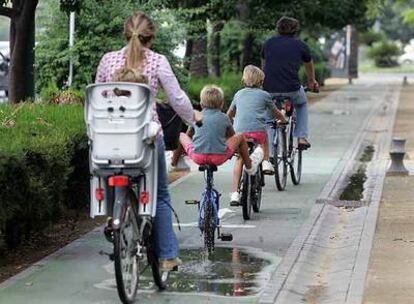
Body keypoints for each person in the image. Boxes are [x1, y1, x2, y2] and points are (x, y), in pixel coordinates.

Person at [95, 11, 197, 271]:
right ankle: (168, 256)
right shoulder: (157, 62)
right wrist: (193, 118)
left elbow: (97, 96)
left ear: (126, 34)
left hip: (110, 140)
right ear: (152, 37)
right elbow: (177, 99)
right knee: (160, 195)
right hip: (146, 139)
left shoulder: (108, 61)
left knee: (114, 174)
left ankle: (113, 216)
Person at [227, 65, 287, 205]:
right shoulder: (265, 95)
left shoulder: (238, 94)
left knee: (240, 160)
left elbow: (229, 114)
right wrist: (283, 120)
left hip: (240, 134)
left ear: (244, 79)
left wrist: (229, 124)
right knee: (264, 136)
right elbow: (275, 112)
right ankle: (266, 162)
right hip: (257, 133)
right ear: (261, 81)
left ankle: (235, 194)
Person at [173, 85, 263, 174]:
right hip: (219, 157)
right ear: (221, 104)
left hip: (197, 156)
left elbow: (189, 134)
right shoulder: (224, 118)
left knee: (181, 135)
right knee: (239, 136)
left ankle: (174, 163)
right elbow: (232, 136)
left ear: (201, 104)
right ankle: (249, 166)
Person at [261, 16, 319, 149]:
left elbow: (263, 68)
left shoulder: (268, 44)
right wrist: (311, 82)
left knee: (269, 115)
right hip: (292, 88)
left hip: (269, 88)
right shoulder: (301, 45)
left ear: (278, 29)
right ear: (295, 30)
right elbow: (309, 64)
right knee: (302, 104)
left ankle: (268, 154)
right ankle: (301, 137)